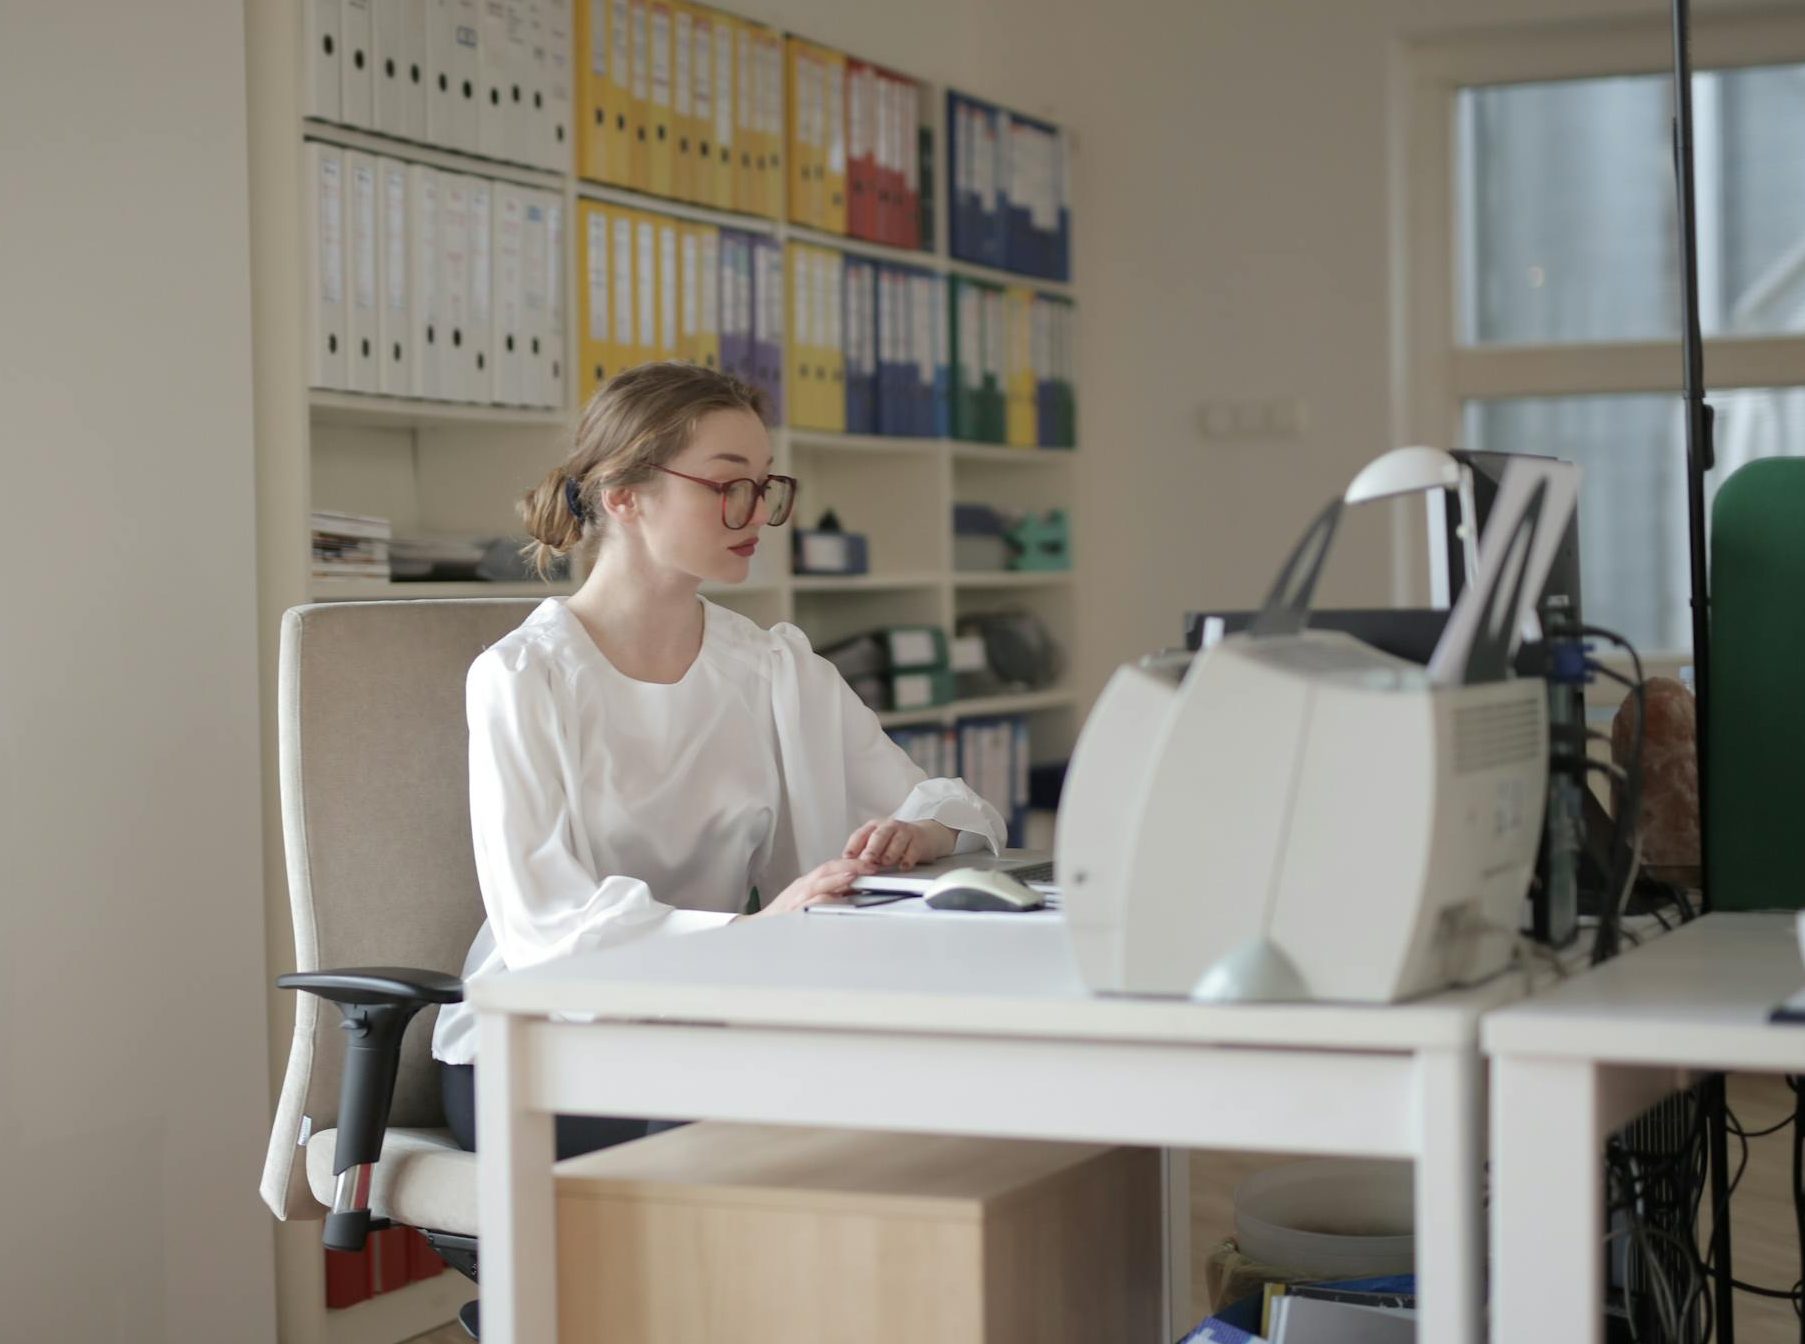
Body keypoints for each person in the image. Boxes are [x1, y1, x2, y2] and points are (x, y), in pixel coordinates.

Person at [431, 362, 1006, 1157]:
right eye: (725, 485)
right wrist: (752, 931)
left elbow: (948, 805)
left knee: (911, 1090)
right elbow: (544, 930)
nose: (756, 513)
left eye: (766, 486)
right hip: (544, 1046)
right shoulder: (525, 676)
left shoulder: (774, 666)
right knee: (780, 1126)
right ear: (622, 495)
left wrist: (923, 835)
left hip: (719, 1018)